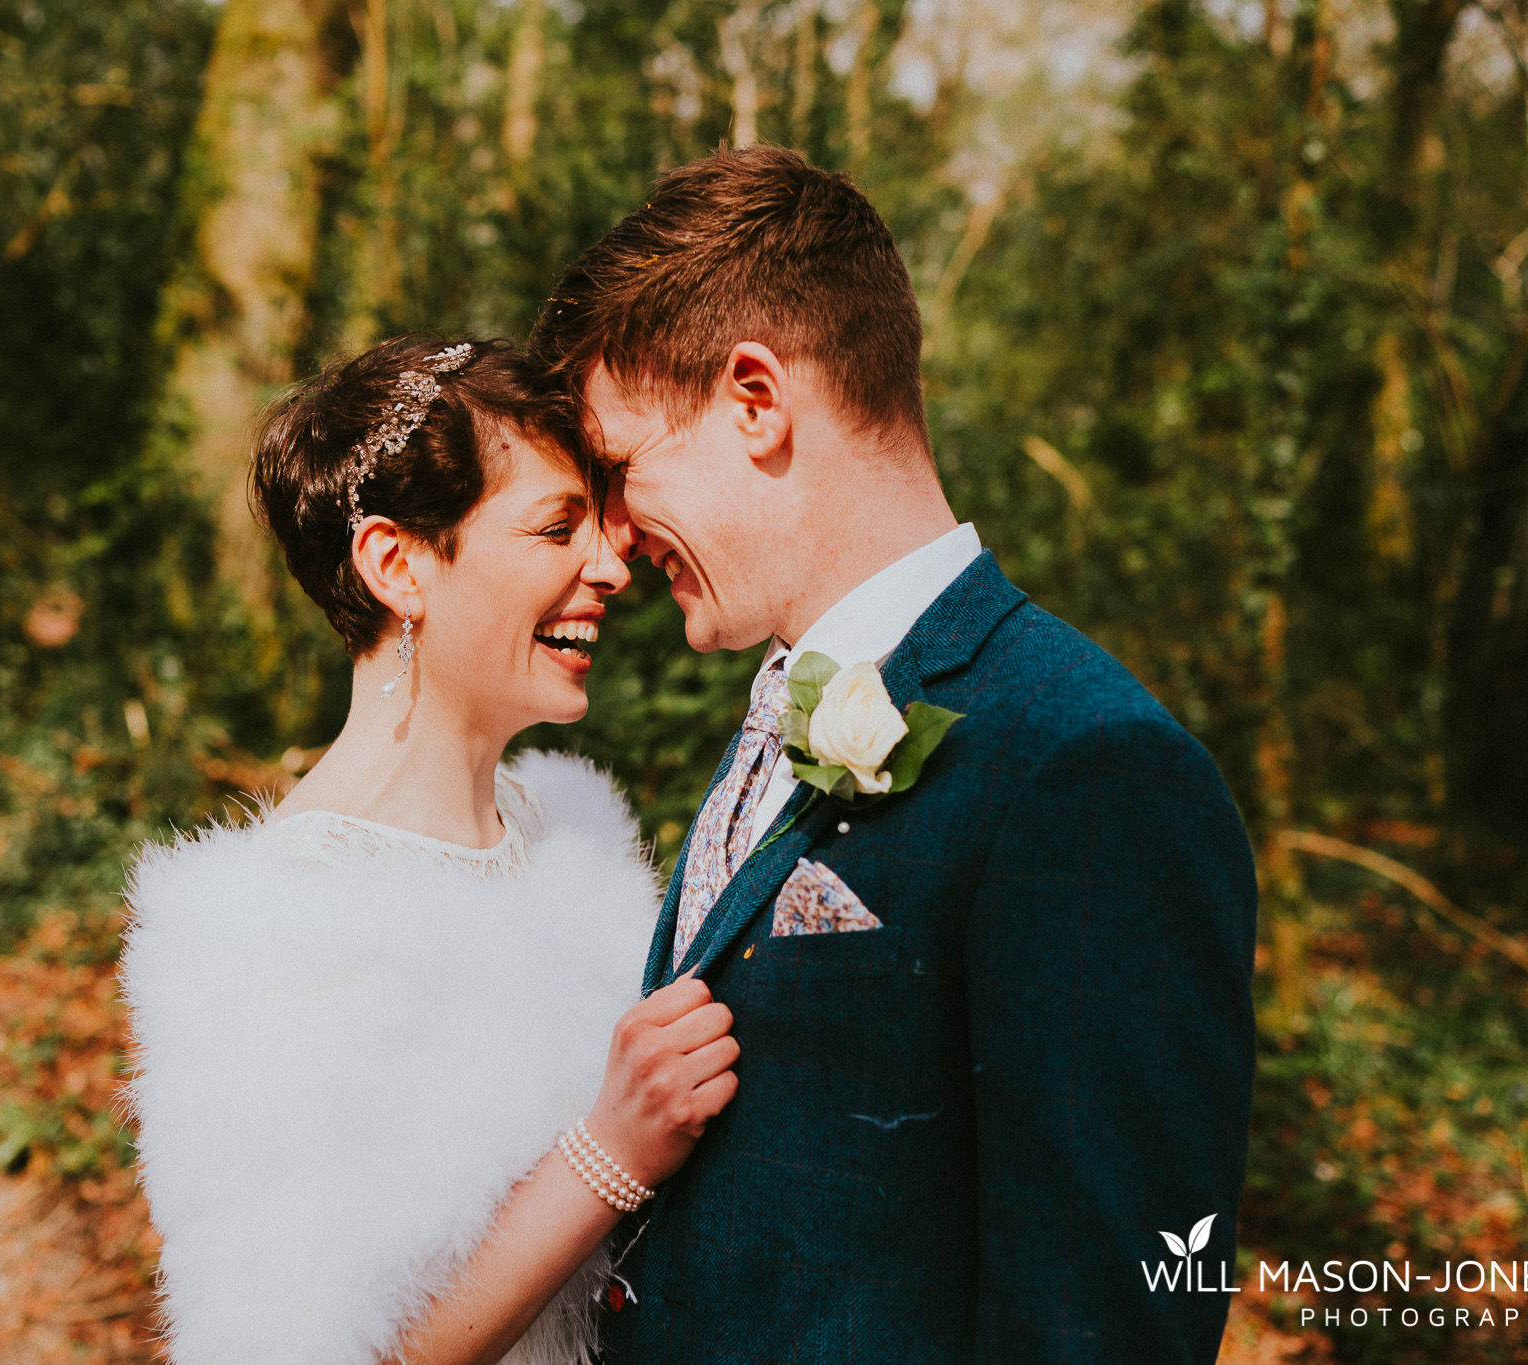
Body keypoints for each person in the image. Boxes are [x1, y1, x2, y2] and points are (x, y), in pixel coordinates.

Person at [528, 145, 1258, 1362]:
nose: (608, 532)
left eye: (618, 467)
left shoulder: (1088, 768)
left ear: (755, 400)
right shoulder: (782, 697)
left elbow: (1103, 1323)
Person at [116, 337, 739, 1365]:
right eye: (555, 527)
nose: (609, 566)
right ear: (397, 565)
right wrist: (608, 1155)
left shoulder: (573, 835)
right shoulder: (259, 930)